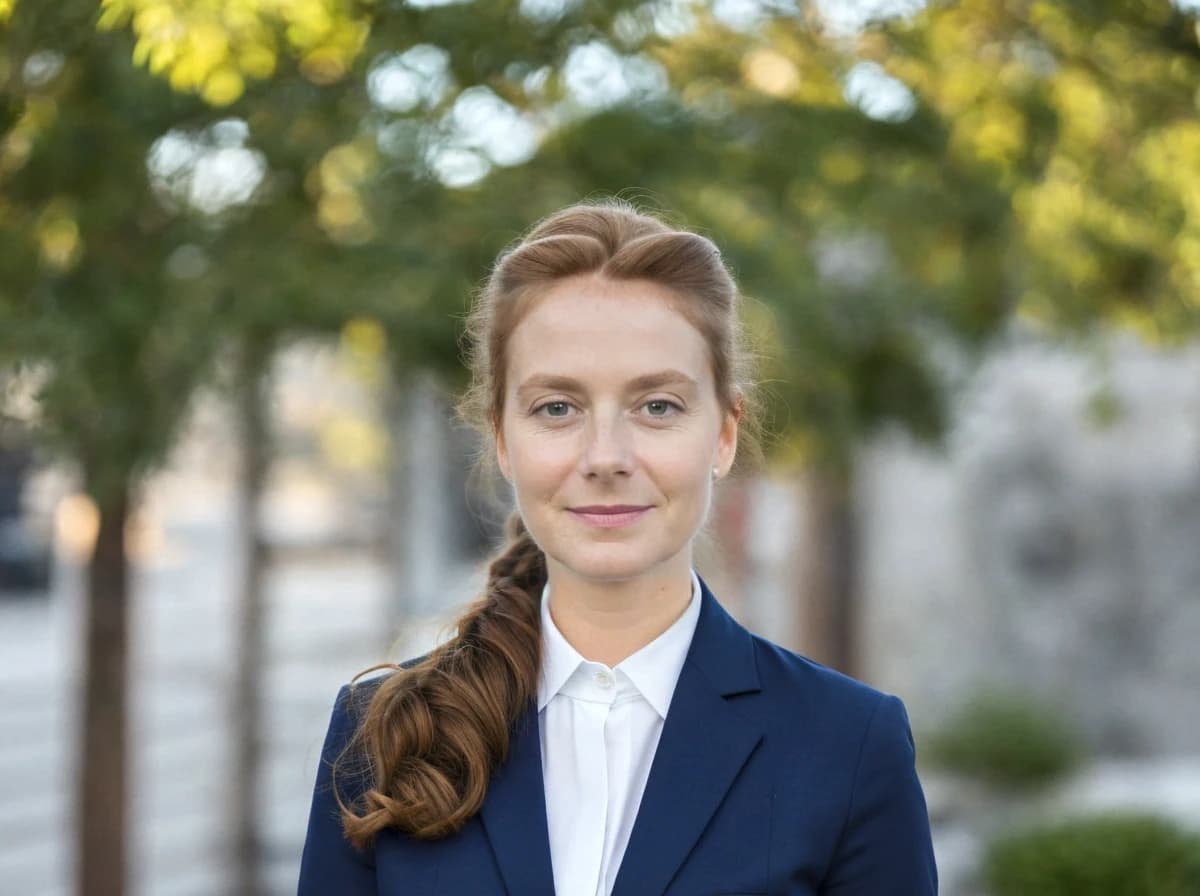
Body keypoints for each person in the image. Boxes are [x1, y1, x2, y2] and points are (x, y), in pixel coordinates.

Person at [298, 199, 937, 895]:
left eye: (657, 405)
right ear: (504, 439)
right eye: (557, 408)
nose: (606, 457)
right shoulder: (382, 731)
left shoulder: (849, 746)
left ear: (723, 435)